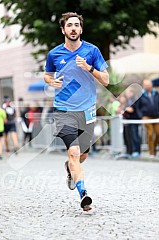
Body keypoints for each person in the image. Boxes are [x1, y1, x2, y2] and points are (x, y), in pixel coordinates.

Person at [44, 12, 109, 211]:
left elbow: (106, 80)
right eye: (69, 25)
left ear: (81, 29)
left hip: (87, 110)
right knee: (73, 152)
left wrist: (89, 68)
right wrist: (51, 81)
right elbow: (47, 75)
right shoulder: (54, 54)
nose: (73, 28)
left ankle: (70, 169)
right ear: (63, 30)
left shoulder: (92, 51)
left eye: (76, 25)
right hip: (64, 109)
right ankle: (84, 194)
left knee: (82, 155)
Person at [137, 79, 159, 157]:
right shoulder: (141, 95)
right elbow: (138, 107)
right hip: (146, 116)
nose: (147, 86)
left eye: (148, 85)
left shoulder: (156, 93)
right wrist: (141, 115)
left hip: (156, 116)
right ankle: (151, 151)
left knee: (158, 133)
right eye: (145, 85)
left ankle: (154, 149)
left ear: (151, 85)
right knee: (150, 133)